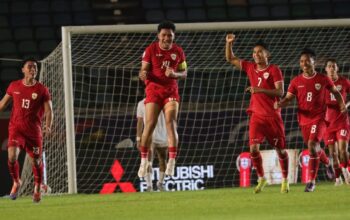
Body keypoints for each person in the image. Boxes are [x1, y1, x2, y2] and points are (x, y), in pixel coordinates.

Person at [225, 34, 290, 193]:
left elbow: (281, 92)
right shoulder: (250, 67)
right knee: (253, 149)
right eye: (254, 52)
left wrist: (259, 90)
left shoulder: (274, 69)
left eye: (260, 52)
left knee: (280, 150)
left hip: (272, 116)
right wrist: (229, 44)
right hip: (256, 116)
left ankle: (285, 179)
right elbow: (230, 58)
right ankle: (262, 178)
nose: (256, 54)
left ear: (268, 54)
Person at [277, 49, 346, 192]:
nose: (304, 63)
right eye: (302, 61)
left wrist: (341, 104)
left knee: (312, 145)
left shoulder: (322, 78)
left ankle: (311, 181)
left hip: (320, 118)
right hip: (303, 120)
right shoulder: (296, 81)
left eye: (307, 60)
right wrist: (280, 103)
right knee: (315, 148)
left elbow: (336, 93)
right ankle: (327, 163)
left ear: (314, 62)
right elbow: (288, 99)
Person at [138, 21, 187, 178]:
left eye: (170, 35)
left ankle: (172, 162)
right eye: (164, 35)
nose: (167, 38)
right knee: (150, 124)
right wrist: (143, 74)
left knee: (171, 124)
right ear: (158, 35)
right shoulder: (150, 50)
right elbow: (143, 71)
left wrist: (174, 75)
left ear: (174, 36)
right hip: (153, 91)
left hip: (171, 91)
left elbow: (184, 73)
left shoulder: (178, 51)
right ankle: (143, 161)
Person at [0, 58, 53, 202]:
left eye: (35, 67)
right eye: (29, 67)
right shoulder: (14, 86)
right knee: (11, 156)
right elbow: (2, 104)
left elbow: (49, 111)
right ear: (23, 69)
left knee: (35, 162)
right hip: (16, 129)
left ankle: (37, 186)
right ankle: (17, 181)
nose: (33, 69)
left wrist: (48, 126)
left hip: (34, 132)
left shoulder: (42, 89)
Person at [323, 58, 350, 186]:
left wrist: (347, 104)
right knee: (333, 154)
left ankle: (346, 171)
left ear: (337, 68)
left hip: (342, 122)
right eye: (329, 66)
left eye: (334, 66)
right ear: (326, 69)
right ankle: (338, 178)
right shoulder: (322, 84)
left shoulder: (344, 82)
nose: (332, 68)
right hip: (328, 124)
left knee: (342, 150)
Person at [137, 98, 168, 191]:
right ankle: (149, 186)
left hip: (163, 135)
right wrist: (138, 138)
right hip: (149, 136)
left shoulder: (165, 101)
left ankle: (160, 183)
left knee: (163, 160)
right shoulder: (141, 103)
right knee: (148, 161)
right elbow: (139, 122)